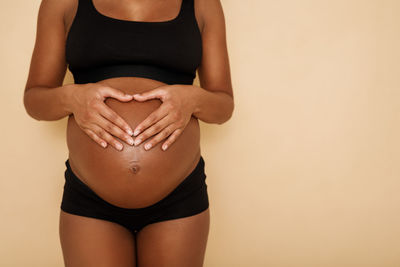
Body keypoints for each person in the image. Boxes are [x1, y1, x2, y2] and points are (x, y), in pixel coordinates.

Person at [23, 0, 234, 265]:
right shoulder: (62, 3)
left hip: (179, 197)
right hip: (91, 198)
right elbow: (34, 99)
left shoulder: (204, 4)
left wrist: (193, 99)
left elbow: (224, 106)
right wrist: (71, 98)